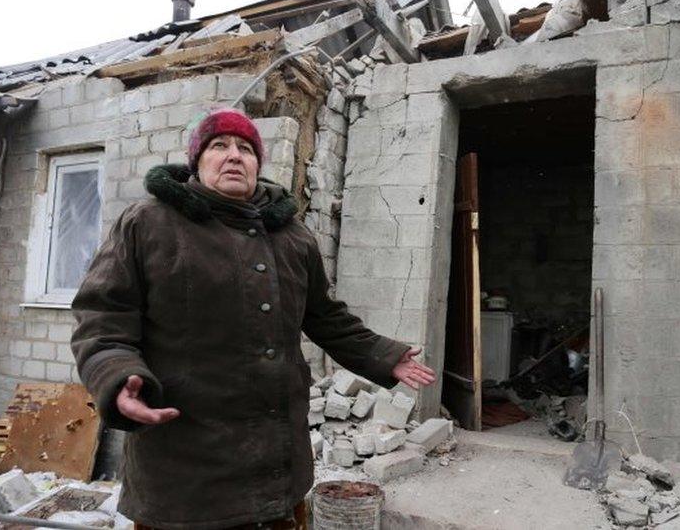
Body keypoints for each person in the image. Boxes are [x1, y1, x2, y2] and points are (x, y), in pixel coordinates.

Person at [71, 107, 436, 529]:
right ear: (197, 161)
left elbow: (324, 316)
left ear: (258, 165)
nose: (234, 155)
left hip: (276, 465)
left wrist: (382, 354)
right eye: (219, 146)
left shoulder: (293, 237)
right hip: (183, 471)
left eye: (245, 148)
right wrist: (115, 377)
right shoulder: (148, 224)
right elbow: (102, 314)